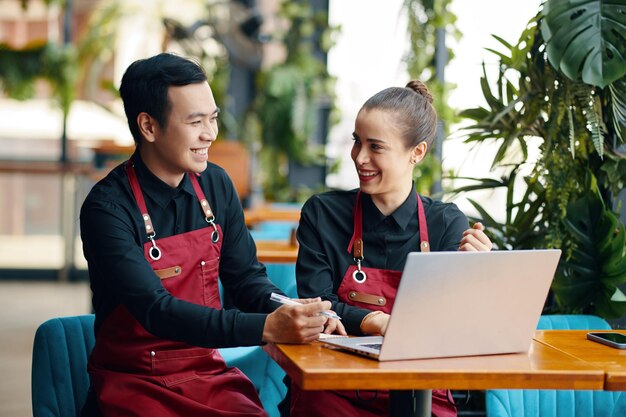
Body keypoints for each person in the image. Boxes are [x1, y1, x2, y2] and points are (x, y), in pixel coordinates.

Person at [79, 52, 333, 417]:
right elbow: (156, 311)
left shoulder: (215, 184)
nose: (210, 134)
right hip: (134, 382)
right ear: (148, 126)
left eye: (212, 118)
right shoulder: (108, 208)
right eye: (195, 121)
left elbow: (246, 279)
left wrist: (295, 310)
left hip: (207, 374)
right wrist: (267, 327)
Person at [284, 80, 493, 417]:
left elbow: (453, 327)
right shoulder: (323, 214)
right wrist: (376, 321)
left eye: (375, 147)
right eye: (357, 142)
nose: (359, 157)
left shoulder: (447, 223)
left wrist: (478, 276)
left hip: (422, 391)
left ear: (417, 152)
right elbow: (317, 307)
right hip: (332, 387)